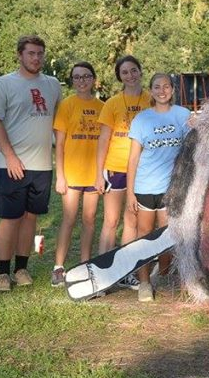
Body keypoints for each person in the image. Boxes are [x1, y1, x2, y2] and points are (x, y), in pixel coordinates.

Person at [0, 35, 61, 292]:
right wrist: (10, 156)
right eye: (31, 53)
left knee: (30, 218)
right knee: (10, 218)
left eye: (40, 53)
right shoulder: (3, 84)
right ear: (19, 55)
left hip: (42, 165)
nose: (36, 58)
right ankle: (2, 273)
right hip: (12, 164)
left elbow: (59, 123)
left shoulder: (52, 85)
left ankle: (21, 268)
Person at [125, 73, 191, 301]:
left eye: (166, 86)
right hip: (145, 186)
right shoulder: (142, 120)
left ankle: (163, 276)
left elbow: (191, 150)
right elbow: (132, 159)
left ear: (172, 89)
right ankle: (144, 283)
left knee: (166, 237)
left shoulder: (183, 115)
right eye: (156, 87)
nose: (162, 90)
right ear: (151, 91)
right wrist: (130, 192)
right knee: (144, 236)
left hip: (171, 187)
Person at [94, 55, 149, 288]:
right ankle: (101, 271)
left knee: (132, 221)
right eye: (125, 72)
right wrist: (99, 173)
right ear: (120, 76)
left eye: (133, 70)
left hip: (142, 169)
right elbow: (104, 138)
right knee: (110, 220)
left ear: (140, 72)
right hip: (116, 167)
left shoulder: (151, 99)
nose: (130, 75)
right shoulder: (113, 103)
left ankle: (127, 270)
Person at [50, 62, 104, 287]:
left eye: (86, 76)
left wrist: (101, 174)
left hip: (93, 174)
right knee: (69, 219)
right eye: (77, 77)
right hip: (72, 174)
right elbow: (59, 144)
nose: (82, 81)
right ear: (72, 81)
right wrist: (60, 176)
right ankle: (58, 267)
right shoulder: (67, 105)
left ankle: (85, 264)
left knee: (89, 219)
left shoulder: (103, 106)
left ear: (94, 80)